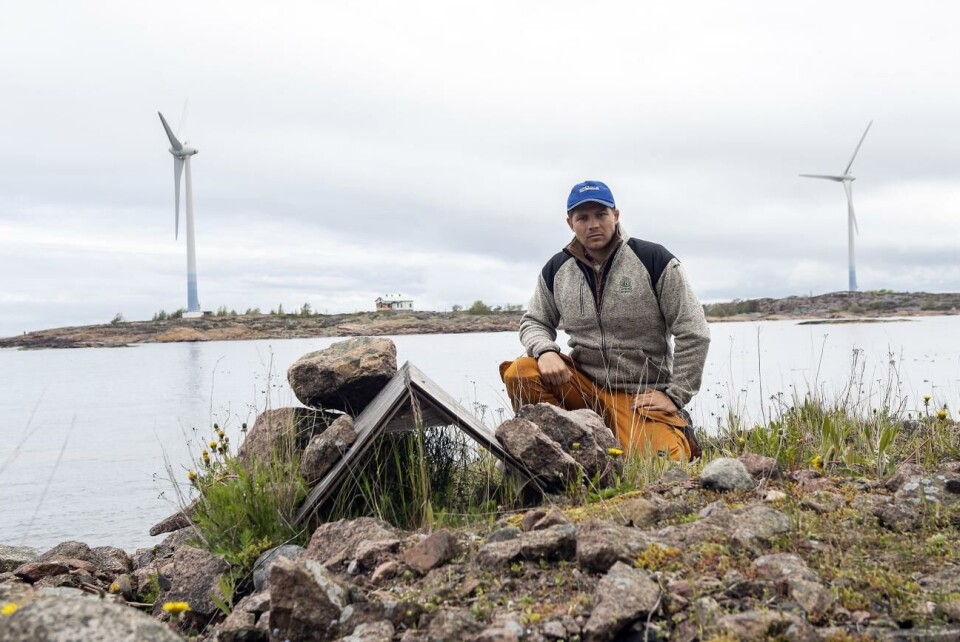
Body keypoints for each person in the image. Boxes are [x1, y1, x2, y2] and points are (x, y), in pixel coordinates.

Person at [499, 180, 710, 460]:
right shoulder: (556, 269)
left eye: (601, 215)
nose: (593, 224)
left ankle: (672, 430)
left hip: (638, 395)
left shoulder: (653, 260)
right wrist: (545, 350)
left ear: (616, 215)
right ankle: (567, 447)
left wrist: (674, 396)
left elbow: (694, 332)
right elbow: (534, 321)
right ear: (570, 223)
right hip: (581, 386)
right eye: (582, 218)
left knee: (665, 463)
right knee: (521, 372)